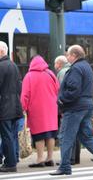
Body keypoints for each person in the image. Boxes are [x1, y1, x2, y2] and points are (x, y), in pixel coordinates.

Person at [50, 45, 93, 176]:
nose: (67, 57)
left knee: (65, 136)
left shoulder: (76, 68)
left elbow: (73, 89)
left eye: (68, 55)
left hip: (75, 107)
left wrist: (61, 99)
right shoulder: (87, 67)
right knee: (87, 137)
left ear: (74, 55)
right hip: (86, 106)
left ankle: (65, 166)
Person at [21, 55, 60, 168]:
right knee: (51, 134)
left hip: (36, 110)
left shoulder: (29, 76)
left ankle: (39, 159)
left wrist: (23, 108)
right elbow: (58, 90)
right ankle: (49, 158)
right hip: (52, 109)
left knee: (39, 135)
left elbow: (25, 95)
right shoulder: (51, 74)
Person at [0, 41, 23, 172]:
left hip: (4, 106)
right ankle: (11, 160)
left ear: (1, 51)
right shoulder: (13, 65)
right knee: (10, 135)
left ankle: (10, 163)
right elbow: (19, 86)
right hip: (14, 105)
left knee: (6, 135)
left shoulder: (1, 66)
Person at [54, 55, 80, 165]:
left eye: (55, 64)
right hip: (77, 106)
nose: (54, 66)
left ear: (59, 64)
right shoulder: (73, 70)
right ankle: (75, 158)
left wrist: (61, 105)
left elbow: (61, 91)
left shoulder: (61, 73)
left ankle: (68, 159)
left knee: (66, 134)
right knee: (77, 133)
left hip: (67, 108)